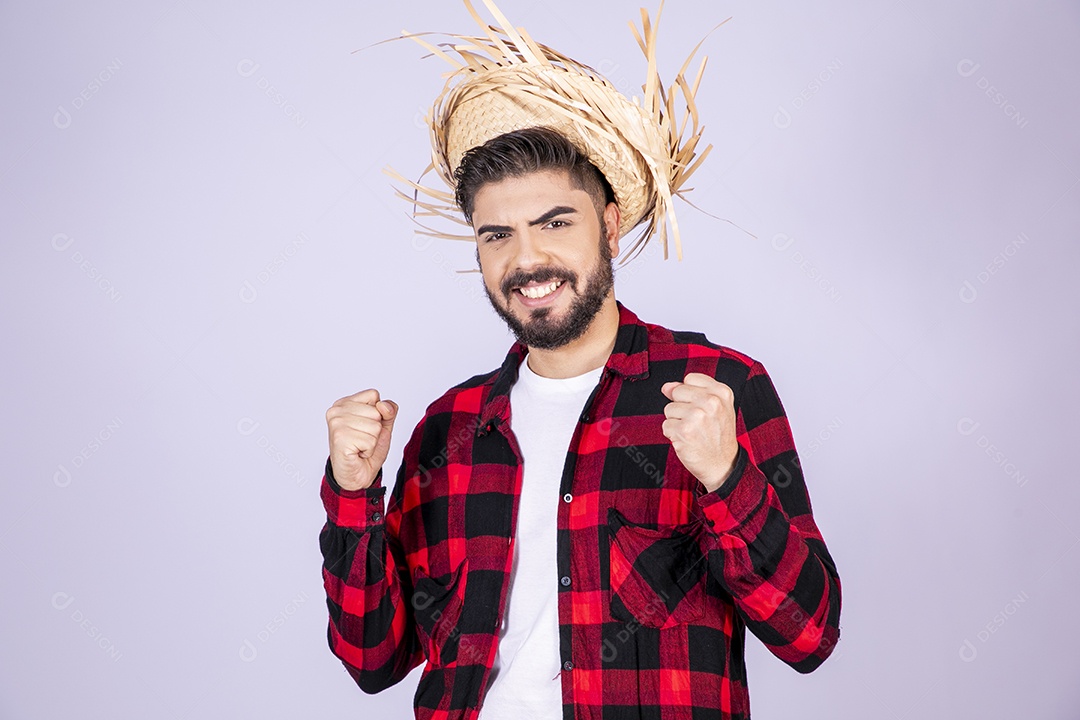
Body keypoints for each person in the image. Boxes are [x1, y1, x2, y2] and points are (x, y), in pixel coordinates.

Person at [318, 4, 840, 720]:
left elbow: (808, 634)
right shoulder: (449, 429)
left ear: (611, 224)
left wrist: (725, 475)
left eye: (554, 223)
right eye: (498, 234)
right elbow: (373, 661)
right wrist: (354, 494)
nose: (527, 260)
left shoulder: (715, 387)